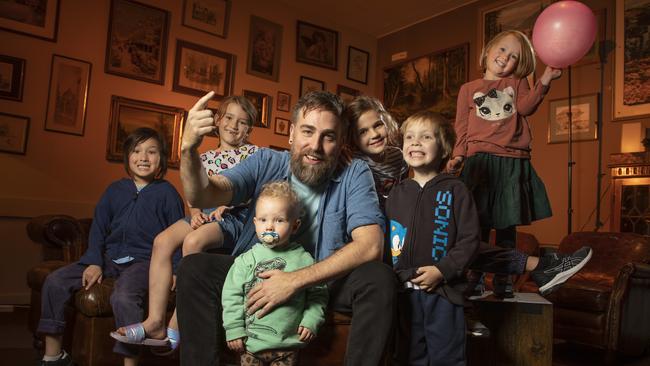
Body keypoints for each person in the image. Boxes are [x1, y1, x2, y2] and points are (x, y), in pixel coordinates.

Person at [176, 90, 395, 366]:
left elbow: (371, 245)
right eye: (307, 131)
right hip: (257, 273)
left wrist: (293, 281)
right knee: (193, 268)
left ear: (340, 142)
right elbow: (203, 195)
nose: (315, 145)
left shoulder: (355, 173)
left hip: (322, 283)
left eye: (328, 136)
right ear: (292, 133)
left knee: (379, 278)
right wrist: (188, 150)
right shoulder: (266, 161)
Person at [388, 111, 592, 365]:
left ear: (444, 150)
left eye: (426, 137)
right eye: (409, 137)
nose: (415, 142)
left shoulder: (455, 189)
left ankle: (543, 267)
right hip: (404, 293)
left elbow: (470, 239)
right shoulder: (396, 194)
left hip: (443, 292)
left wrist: (443, 270)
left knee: (446, 357)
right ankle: (543, 266)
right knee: (408, 356)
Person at [111, 96, 258, 351]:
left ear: (249, 129)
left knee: (193, 241)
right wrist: (197, 212)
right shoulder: (204, 157)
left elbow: (256, 191)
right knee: (162, 241)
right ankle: (155, 322)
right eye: (230, 118)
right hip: (206, 213)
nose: (234, 126)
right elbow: (194, 192)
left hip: (234, 217)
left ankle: (177, 323)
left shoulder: (254, 154)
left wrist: (227, 204)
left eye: (243, 122)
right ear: (218, 120)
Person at [37, 128, 184, 366]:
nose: (143, 157)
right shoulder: (115, 190)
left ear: (162, 159)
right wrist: (94, 260)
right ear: (127, 156)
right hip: (108, 258)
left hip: (144, 262)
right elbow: (98, 229)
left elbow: (178, 235)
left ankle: (130, 361)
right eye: (136, 151)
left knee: (123, 297)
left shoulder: (167, 194)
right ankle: (53, 357)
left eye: (152, 152)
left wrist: (176, 269)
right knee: (55, 281)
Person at [446, 30, 563, 298]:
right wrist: (458, 156)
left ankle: (504, 279)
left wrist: (544, 80)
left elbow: (526, 107)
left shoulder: (516, 81)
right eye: (502, 50)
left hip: (511, 161)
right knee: (477, 225)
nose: (505, 58)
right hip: (479, 163)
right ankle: (474, 277)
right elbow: (461, 128)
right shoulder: (468, 89)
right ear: (487, 51)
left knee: (506, 225)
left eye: (513, 57)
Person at [222, 181, 328, 366]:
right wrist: (233, 329)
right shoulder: (245, 260)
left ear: (295, 226)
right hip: (250, 346)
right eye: (263, 220)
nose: (269, 227)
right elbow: (231, 296)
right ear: (255, 223)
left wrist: (311, 320)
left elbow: (318, 294)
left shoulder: (305, 261)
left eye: (279, 220)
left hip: (287, 347)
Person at [344, 95, 409, 210]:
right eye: (363, 132)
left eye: (378, 125)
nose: (374, 135)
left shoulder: (398, 156)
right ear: (353, 138)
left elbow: (404, 189)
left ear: (387, 123)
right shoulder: (353, 162)